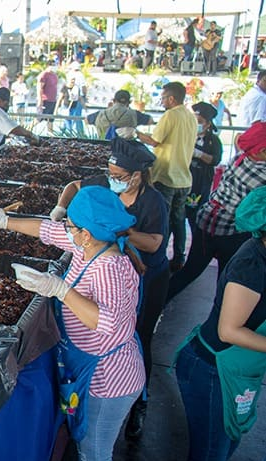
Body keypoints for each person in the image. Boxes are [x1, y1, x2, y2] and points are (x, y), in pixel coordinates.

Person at [0, 186, 144, 461]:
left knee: (95, 452)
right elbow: (46, 229)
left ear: (86, 233)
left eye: (72, 226)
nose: (66, 229)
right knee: (85, 445)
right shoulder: (90, 243)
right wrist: (4, 222)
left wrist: (59, 289)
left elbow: (109, 323)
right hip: (88, 366)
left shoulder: (110, 267)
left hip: (108, 380)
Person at [51, 138, 169, 439]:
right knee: (104, 332)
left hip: (145, 275)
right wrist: (61, 208)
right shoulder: (103, 182)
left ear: (136, 175)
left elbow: (155, 243)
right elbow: (74, 186)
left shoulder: (153, 201)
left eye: (119, 177)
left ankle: (138, 402)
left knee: (134, 335)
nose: (112, 180)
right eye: (111, 174)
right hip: (107, 258)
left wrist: (116, 229)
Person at [172, 186, 266, 461]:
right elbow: (230, 330)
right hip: (211, 370)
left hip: (237, 371)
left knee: (225, 447)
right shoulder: (252, 265)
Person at [167, 122, 266, 302]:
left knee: (190, 272)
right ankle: (220, 321)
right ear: (261, 151)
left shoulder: (241, 157)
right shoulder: (261, 174)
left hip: (207, 221)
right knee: (227, 280)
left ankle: (153, 307)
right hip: (230, 231)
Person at [136, 81, 197, 272]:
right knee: (179, 221)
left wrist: (135, 133)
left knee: (162, 220)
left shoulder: (170, 115)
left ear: (171, 98)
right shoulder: (190, 115)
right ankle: (179, 258)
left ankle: (158, 258)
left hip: (166, 176)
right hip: (184, 178)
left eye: (162, 98)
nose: (161, 101)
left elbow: (154, 141)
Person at [186, 102, 224, 226]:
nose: (196, 125)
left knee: (196, 215)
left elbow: (215, 160)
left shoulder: (213, 141)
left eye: (200, 122)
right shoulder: (185, 136)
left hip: (201, 179)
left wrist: (199, 154)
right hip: (184, 177)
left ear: (207, 124)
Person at [85, 90, 152, 140]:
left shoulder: (101, 114)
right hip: (126, 151)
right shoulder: (134, 114)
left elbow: (86, 120)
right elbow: (150, 121)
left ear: (114, 100)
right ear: (129, 102)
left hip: (104, 149)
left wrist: (108, 109)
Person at [37, 65, 59, 132]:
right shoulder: (44, 75)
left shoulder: (55, 75)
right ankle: (28, 130)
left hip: (52, 100)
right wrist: (40, 100)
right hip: (45, 100)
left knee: (51, 119)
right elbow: (40, 88)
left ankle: (51, 134)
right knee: (39, 118)